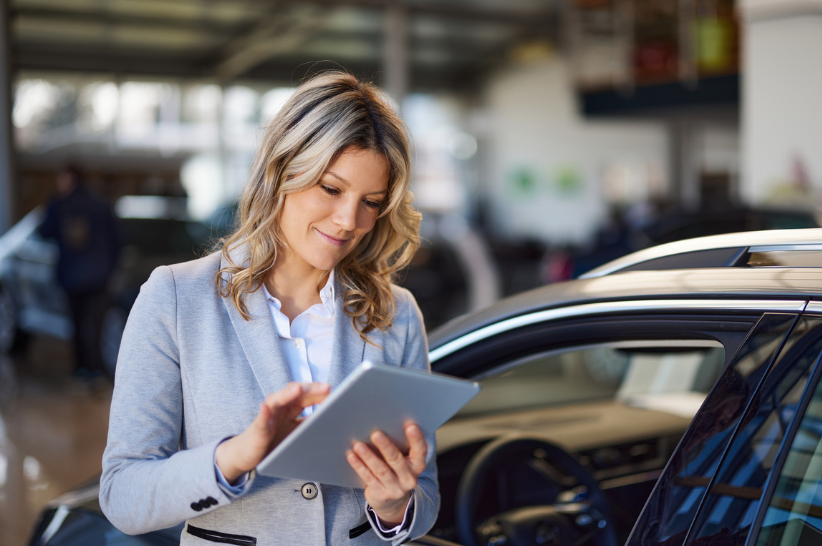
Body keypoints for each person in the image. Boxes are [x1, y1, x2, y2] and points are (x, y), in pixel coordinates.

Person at [100, 72, 439, 546]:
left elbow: (424, 497)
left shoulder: (396, 314)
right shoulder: (176, 299)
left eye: (372, 202)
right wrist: (235, 457)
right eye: (330, 188)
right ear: (282, 171)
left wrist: (393, 507)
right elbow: (124, 496)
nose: (349, 221)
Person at [39, 166, 120, 379]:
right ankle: (97, 370)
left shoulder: (60, 205)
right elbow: (118, 239)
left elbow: (44, 232)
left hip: (72, 277)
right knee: (96, 324)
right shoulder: (100, 204)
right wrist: (110, 268)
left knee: (77, 324)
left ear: (68, 179)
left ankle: (82, 369)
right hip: (99, 276)